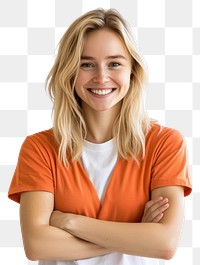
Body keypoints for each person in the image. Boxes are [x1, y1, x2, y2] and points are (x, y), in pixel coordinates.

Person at [8, 8, 192, 265]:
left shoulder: (164, 144)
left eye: (114, 63)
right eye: (86, 64)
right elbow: (37, 245)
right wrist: (136, 233)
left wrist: (69, 221)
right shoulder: (40, 148)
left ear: (133, 71)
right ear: (69, 72)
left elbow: (164, 244)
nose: (101, 77)